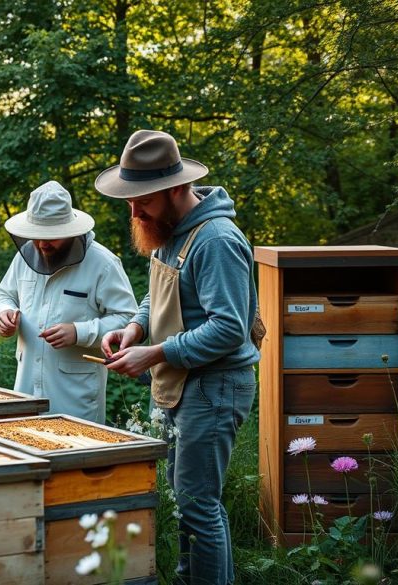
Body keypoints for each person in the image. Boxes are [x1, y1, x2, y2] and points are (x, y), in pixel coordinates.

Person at [97, 129, 259, 585]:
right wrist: (133, 328)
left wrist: (154, 354)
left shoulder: (217, 240)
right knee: (179, 502)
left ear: (174, 189)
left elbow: (228, 328)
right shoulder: (167, 229)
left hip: (212, 388)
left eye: (141, 199)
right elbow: (160, 296)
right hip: (179, 383)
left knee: (199, 506)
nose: (133, 210)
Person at [0, 180, 137, 422]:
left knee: (79, 458)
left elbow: (129, 320)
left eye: (52, 236)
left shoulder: (103, 263)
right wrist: (3, 313)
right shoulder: (24, 257)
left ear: (70, 230)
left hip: (76, 401)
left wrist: (79, 332)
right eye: (38, 235)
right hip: (26, 393)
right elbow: (3, 295)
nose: (42, 243)